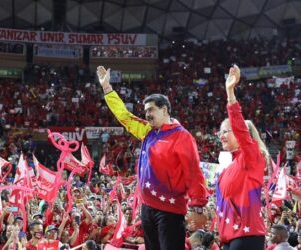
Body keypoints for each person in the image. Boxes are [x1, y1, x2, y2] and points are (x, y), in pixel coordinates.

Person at [96, 66, 208, 250]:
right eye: (145, 110)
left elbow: (194, 173)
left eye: (151, 110)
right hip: (147, 208)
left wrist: (198, 206)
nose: (147, 114)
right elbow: (124, 116)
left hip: (170, 210)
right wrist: (107, 88)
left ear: (165, 110)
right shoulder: (148, 131)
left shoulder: (182, 137)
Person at [216, 65, 268, 250]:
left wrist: (230, 92)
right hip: (227, 237)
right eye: (219, 133)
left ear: (240, 133)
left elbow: (239, 126)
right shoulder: (227, 169)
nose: (221, 136)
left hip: (247, 235)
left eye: (225, 131)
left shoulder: (251, 157)